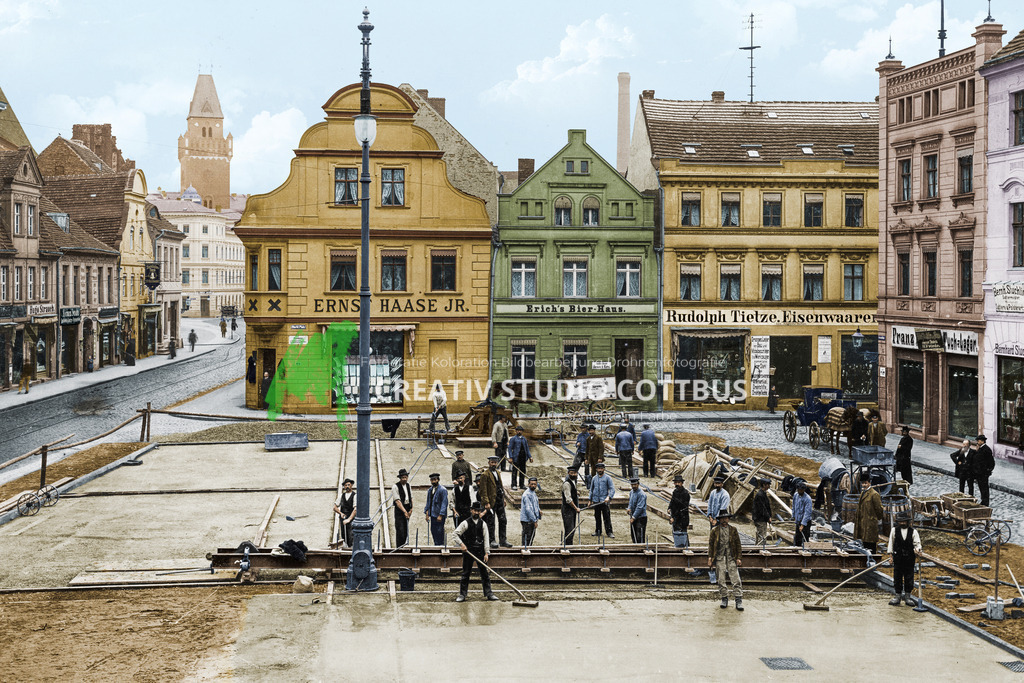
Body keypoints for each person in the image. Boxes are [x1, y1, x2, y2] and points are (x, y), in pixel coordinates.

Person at [454, 502, 497, 602]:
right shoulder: (465, 523)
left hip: (480, 551)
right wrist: (462, 544)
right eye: (475, 510)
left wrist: (487, 553)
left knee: (484, 573)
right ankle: (462, 595)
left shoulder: (483, 524)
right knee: (466, 573)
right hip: (468, 551)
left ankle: (489, 593)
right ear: (471, 510)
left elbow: (486, 539)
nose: (477, 512)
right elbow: (455, 534)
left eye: (478, 511)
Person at [708, 511, 743, 611]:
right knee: (721, 579)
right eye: (722, 519)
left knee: (736, 578)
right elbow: (711, 545)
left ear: (728, 519)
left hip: (731, 557)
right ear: (719, 520)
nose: (724, 520)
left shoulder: (733, 530)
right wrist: (710, 558)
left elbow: (738, 545)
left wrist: (739, 558)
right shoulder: (714, 531)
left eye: (726, 518)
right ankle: (724, 598)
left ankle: (738, 600)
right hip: (719, 557)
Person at [888, 511, 921, 607]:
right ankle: (897, 596)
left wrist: (918, 550)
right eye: (900, 522)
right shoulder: (894, 530)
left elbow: (917, 544)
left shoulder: (913, 532)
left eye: (904, 522)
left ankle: (907, 597)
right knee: (897, 577)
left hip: (909, 559)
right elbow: (891, 543)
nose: (902, 523)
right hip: (898, 558)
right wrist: (890, 556)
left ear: (907, 522)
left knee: (909, 577)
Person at [478, 454, 510, 548]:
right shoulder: (485, 475)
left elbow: (500, 487)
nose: (494, 464)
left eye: (495, 462)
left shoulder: (498, 473)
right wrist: (486, 503)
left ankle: (503, 540)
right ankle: (492, 540)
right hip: (491, 502)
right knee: (491, 522)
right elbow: (483, 490)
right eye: (492, 462)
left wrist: (503, 499)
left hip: (499, 500)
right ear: (488, 463)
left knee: (503, 520)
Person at [854, 471, 883, 553]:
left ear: (869, 483)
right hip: (863, 521)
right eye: (862, 483)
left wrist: (877, 518)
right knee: (864, 542)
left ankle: (872, 558)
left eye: (866, 483)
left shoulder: (874, 494)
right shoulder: (863, 493)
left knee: (871, 542)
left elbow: (879, 509)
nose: (864, 485)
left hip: (870, 522)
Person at [588, 462, 615, 537]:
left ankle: (609, 532)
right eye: (598, 468)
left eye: (601, 468)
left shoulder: (607, 478)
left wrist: (608, 497)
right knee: (597, 517)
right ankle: (598, 531)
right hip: (596, 501)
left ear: (604, 469)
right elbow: (591, 489)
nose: (600, 470)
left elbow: (612, 489)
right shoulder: (594, 478)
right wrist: (590, 500)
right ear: (596, 469)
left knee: (606, 517)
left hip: (604, 502)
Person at [424, 472, 448, 546]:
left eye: (435, 480)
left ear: (438, 480)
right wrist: (427, 513)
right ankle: (436, 545)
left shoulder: (443, 490)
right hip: (433, 515)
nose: (433, 481)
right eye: (432, 480)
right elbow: (428, 502)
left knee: (440, 531)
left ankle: (441, 545)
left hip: (439, 515)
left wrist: (441, 515)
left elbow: (444, 503)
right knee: (433, 531)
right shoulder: (430, 490)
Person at [561, 464, 583, 545]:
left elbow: (571, 491)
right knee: (569, 530)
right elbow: (568, 499)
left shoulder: (573, 482)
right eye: (572, 473)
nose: (574, 474)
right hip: (568, 510)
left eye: (575, 473)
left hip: (571, 510)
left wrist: (575, 492)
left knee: (572, 529)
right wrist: (576, 508)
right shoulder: (567, 483)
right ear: (568, 473)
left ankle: (569, 546)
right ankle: (567, 547)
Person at [391, 469, 413, 548]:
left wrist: (411, 510)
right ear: (400, 478)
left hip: (407, 509)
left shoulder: (408, 485)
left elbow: (411, 498)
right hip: (400, 511)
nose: (404, 479)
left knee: (406, 530)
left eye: (406, 477)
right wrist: (404, 512)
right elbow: (397, 501)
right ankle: (399, 548)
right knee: (400, 530)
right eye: (403, 477)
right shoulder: (395, 486)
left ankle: (405, 546)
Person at [332, 478, 356, 548]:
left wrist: (349, 519)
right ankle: (346, 549)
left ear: (351, 485)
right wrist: (341, 513)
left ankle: (352, 548)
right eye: (345, 485)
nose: (347, 486)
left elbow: (355, 509)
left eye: (348, 485)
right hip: (343, 518)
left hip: (352, 518)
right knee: (344, 534)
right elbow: (335, 507)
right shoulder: (341, 496)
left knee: (351, 535)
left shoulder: (355, 495)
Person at [668, 474, 691, 547]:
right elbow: (672, 501)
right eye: (676, 482)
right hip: (675, 517)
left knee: (683, 535)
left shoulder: (685, 493)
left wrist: (674, 518)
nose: (677, 484)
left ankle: (686, 548)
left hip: (682, 518)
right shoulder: (675, 492)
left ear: (682, 483)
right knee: (676, 534)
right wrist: (669, 508)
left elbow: (682, 508)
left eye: (679, 482)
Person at [507, 425, 532, 490]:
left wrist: (530, 457)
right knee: (514, 472)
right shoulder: (513, 439)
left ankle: (522, 484)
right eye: (518, 430)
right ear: (516, 431)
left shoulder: (524, 439)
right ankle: (514, 485)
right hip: (516, 458)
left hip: (523, 458)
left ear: (522, 431)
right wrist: (510, 457)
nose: (519, 432)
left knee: (522, 471)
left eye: (520, 430)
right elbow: (509, 448)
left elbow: (527, 449)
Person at [974, 434, 995, 507]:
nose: (977, 442)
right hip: (979, 473)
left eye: (978, 441)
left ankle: (985, 502)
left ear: (982, 441)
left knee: (984, 487)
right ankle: (983, 500)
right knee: (981, 487)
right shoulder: (980, 448)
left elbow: (991, 462)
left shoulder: (986, 449)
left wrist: (988, 470)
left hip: (983, 473)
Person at [520, 477, 541, 547]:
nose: (533, 486)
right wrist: (534, 521)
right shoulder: (527, 495)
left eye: (535, 484)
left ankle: (528, 551)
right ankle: (525, 554)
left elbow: (535, 504)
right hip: (527, 520)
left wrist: (539, 511)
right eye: (532, 484)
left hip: (531, 520)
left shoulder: (533, 493)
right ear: (528, 484)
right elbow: (528, 509)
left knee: (531, 538)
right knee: (527, 539)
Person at [751, 477, 772, 545]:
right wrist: (768, 517)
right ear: (764, 485)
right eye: (768, 485)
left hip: (760, 518)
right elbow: (762, 508)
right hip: (760, 519)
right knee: (762, 536)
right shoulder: (760, 495)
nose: (769, 486)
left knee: (759, 534)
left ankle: (757, 549)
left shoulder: (763, 493)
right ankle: (760, 550)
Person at [627, 477, 648, 544]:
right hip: (633, 517)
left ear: (638, 484)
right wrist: (629, 508)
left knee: (640, 537)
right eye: (632, 485)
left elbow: (640, 507)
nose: (633, 486)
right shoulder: (631, 492)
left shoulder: (642, 494)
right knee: (634, 536)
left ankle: (641, 551)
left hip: (641, 518)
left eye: (635, 484)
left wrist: (633, 517)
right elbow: (630, 502)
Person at [792, 481, 813, 546]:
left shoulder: (807, 499)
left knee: (805, 537)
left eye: (801, 490)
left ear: (804, 490)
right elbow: (794, 506)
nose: (799, 491)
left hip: (805, 521)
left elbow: (807, 513)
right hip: (798, 520)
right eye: (798, 490)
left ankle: (806, 550)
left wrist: (803, 525)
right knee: (797, 537)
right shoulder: (796, 495)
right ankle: (796, 549)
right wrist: (794, 516)